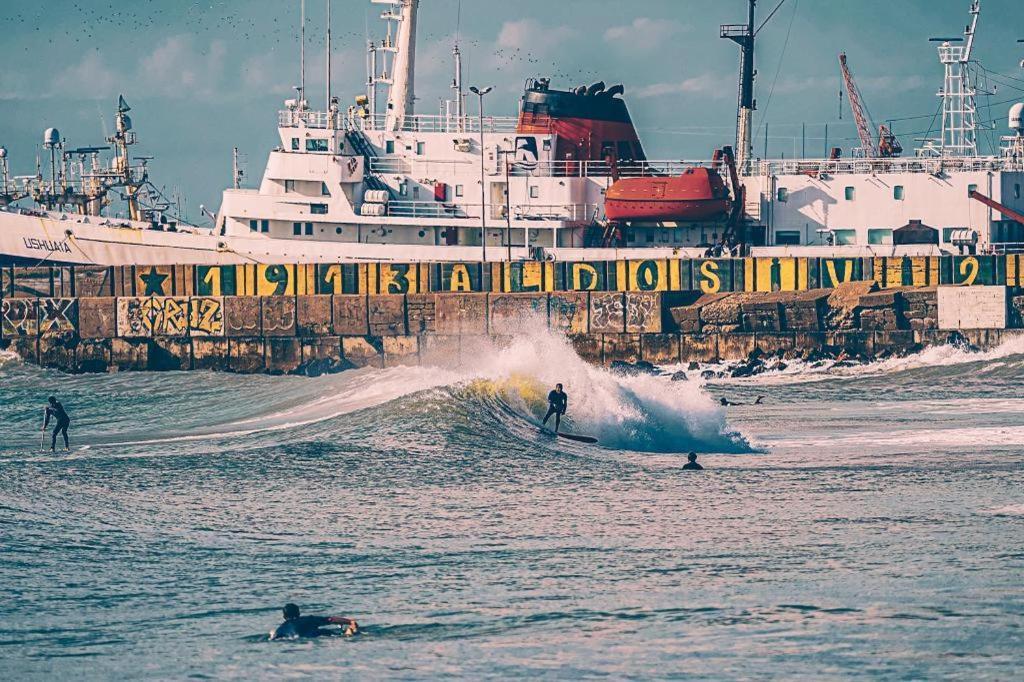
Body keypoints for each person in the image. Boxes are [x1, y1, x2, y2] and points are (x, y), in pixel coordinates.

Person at [269, 603, 358, 640]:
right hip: (313, 635)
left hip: (292, 638)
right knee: (328, 632)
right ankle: (348, 633)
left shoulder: (279, 630)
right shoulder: (308, 619)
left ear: (284, 617)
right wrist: (350, 621)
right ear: (299, 613)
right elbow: (331, 620)